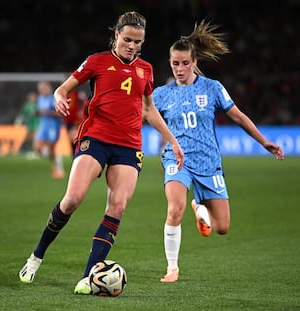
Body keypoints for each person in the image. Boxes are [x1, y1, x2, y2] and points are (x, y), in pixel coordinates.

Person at [18, 11, 184, 294]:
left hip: (130, 146)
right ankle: (36, 256)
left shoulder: (146, 69)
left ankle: (87, 277)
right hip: (96, 138)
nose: (132, 46)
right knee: (72, 200)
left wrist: (172, 139)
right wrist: (59, 100)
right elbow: (63, 89)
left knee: (117, 206)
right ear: (116, 34)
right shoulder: (97, 62)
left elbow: (148, 109)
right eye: (128, 39)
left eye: (138, 42)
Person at [150, 20, 285, 283]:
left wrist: (264, 141)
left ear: (194, 60)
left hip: (209, 161)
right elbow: (137, 115)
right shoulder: (160, 94)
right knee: (174, 208)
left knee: (222, 228)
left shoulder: (212, 88)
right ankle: (172, 268)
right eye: (175, 63)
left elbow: (238, 116)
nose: (179, 69)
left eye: (185, 63)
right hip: (177, 159)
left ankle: (198, 206)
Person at [34, 81, 65, 179]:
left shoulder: (53, 99)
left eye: (44, 88)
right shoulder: (40, 99)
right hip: (43, 125)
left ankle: (58, 167)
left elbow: (59, 113)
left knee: (52, 148)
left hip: (53, 126)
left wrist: (46, 112)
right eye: (40, 89)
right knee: (38, 148)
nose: (42, 90)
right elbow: (41, 112)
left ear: (48, 88)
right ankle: (56, 160)